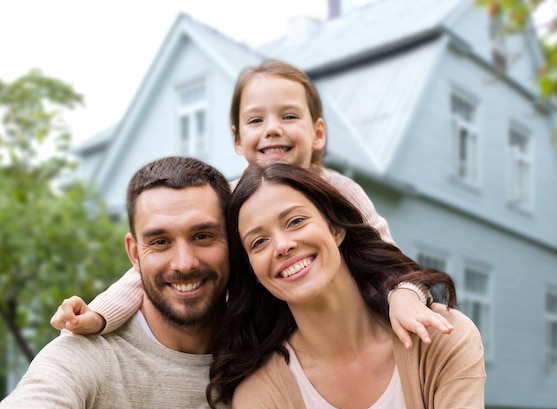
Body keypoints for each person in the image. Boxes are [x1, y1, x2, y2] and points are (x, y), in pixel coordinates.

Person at [51, 60, 452, 347]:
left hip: (346, 338)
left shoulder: (341, 192)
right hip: (267, 341)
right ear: (238, 139)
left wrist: (405, 296)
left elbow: (391, 261)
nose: (273, 128)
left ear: (317, 133)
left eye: (289, 116)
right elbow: (151, 267)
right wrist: (101, 314)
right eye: (256, 120)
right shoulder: (228, 198)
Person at [207, 162, 486, 409]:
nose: (282, 245)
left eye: (295, 221)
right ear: (253, 271)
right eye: (258, 242)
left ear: (336, 228)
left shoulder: (441, 339)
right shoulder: (261, 397)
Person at [0, 157, 234, 409]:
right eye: (160, 242)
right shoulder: (89, 354)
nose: (184, 263)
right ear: (134, 253)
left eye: (202, 236)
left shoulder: (265, 348)